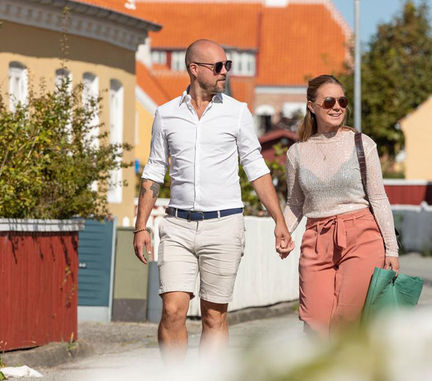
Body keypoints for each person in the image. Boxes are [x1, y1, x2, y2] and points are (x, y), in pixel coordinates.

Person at [133, 39, 294, 361]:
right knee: (173, 310)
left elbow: (255, 167)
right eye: (218, 66)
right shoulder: (166, 115)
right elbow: (154, 170)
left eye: (227, 66)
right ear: (194, 69)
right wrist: (140, 227)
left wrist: (279, 220)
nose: (225, 73)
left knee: (214, 315)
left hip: (224, 225)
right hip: (178, 224)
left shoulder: (237, 113)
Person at [279, 74, 399, 336]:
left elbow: (378, 198)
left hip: (362, 236)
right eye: (329, 101)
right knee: (315, 324)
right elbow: (296, 202)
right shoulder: (296, 153)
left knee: (347, 321)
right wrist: (283, 230)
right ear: (312, 106)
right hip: (316, 238)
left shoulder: (362, 144)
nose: (337, 107)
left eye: (342, 101)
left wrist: (392, 249)